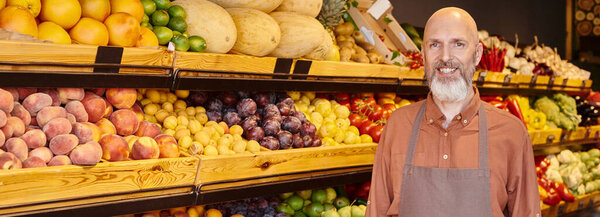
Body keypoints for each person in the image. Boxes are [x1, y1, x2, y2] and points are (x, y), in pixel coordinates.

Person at [365, 7, 540, 217]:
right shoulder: (398, 125)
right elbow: (377, 211)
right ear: (423, 54)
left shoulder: (511, 132)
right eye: (435, 45)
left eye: (458, 44)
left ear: (477, 54)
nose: (445, 57)